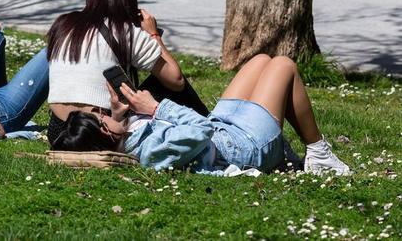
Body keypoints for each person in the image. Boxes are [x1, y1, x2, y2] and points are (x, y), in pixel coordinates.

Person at [52, 54, 351, 176]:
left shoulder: (122, 138)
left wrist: (122, 114)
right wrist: (156, 108)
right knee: (283, 65)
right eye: (102, 118)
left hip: (225, 130)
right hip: (243, 147)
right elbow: (199, 132)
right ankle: (319, 154)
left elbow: (206, 129)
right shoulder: (153, 153)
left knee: (260, 60)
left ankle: (297, 151)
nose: (103, 114)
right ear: (105, 133)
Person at [46, 0, 209, 147]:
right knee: (167, 81)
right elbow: (176, 81)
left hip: (58, 130)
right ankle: (209, 126)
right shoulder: (124, 31)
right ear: (129, 2)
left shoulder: (63, 24)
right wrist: (154, 35)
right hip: (99, 127)